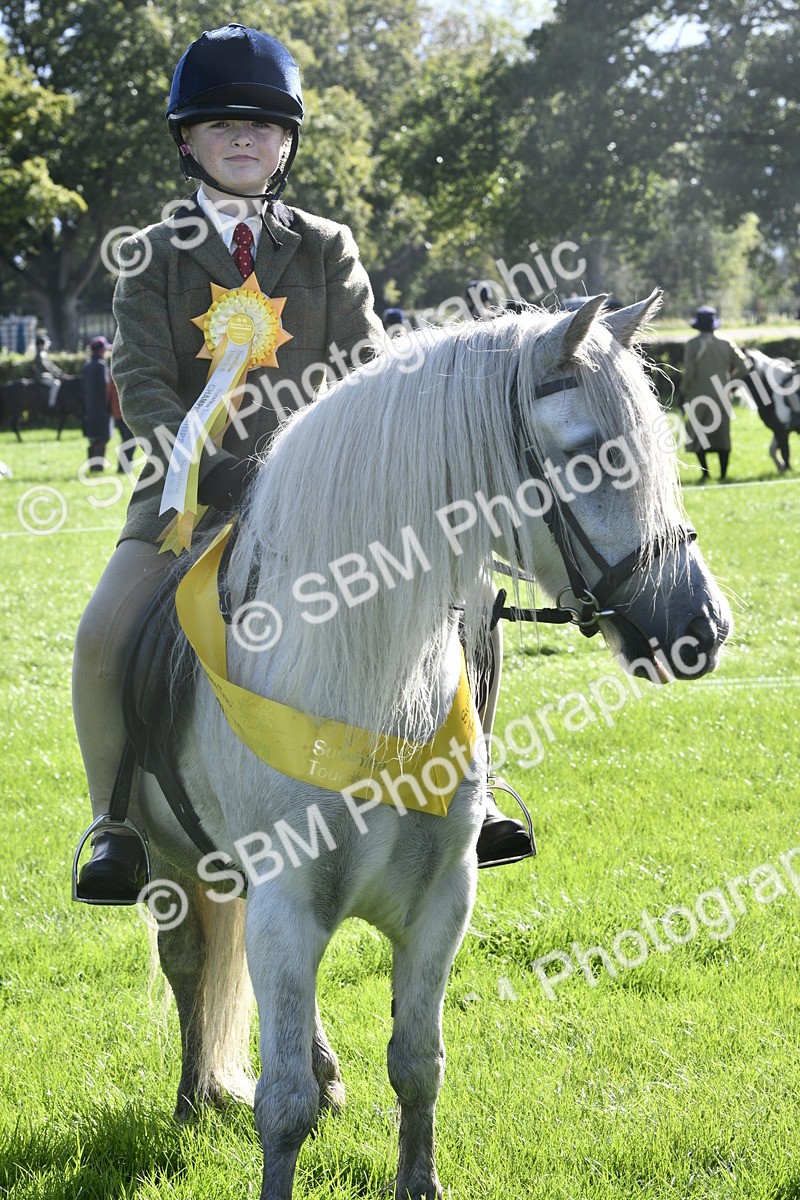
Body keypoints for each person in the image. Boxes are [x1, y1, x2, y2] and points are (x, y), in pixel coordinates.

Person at [73, 24, 531, 904]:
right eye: (218, 126)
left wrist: (323, 470)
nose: (241, 139)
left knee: (471, 599)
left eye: (261, 126)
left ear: (286, 143)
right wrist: (202, 467)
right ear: (186, 141)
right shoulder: (153, 256)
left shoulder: (326, 247)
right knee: (102, 638)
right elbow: (141, 380)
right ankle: (114, 821)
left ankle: (481, 779)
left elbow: (368, 371)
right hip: (187, 497)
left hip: (325, 498)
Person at [682, 305, 748, 481]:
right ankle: (723, 474)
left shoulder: (692, 344)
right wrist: (730, 381)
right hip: (722, 394)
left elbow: (689, 373)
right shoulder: (726, 342)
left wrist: (682, 392)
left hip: (698, 395)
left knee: (698, 433)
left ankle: (705, 474)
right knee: (722, 434)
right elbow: (743, 366)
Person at [82, 336, 112, 469]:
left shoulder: (87, 365)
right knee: (103, 437)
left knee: (94, 438)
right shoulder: (101, 365)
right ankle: (98, 466)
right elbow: (105, 388)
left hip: (90, 407)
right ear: (101, 351)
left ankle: (92, 465)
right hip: (102, 408)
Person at [33, 335, 64, 409]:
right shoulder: (40, 355)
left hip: (45, 375)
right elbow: (45, 367)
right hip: (41, 377)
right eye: (45, 343)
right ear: (41, 345)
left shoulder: (43, 354)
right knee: (56, 384)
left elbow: (51, 365)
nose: (47, 345)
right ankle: (51, 404)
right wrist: (55, 373)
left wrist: (59, 371)